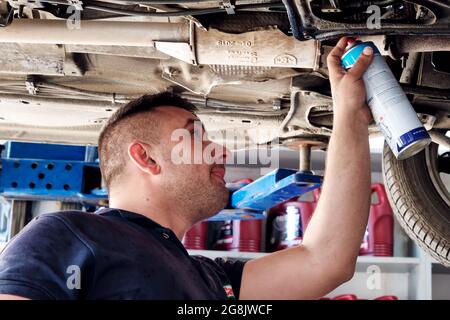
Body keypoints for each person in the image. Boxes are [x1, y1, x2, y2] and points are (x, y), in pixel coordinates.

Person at [0, 37, 374, 300]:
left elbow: (324, 262)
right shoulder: (65, 234)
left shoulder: (211, 281)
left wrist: (350, 115)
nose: (221, 151)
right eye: (194, 136)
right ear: (145, 158)